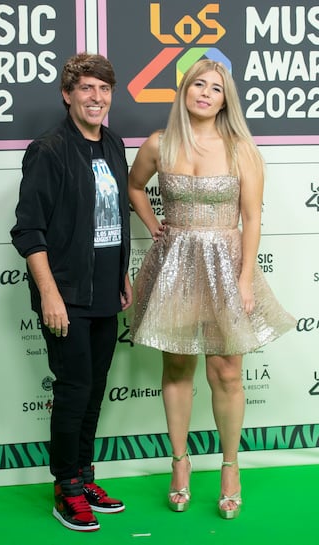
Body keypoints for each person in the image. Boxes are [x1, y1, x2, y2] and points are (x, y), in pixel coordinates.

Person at [128, 59, 296, 519]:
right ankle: (179, 465)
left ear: (226, 99)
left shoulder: (242, 149)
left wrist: (244, 279)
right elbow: (134, 187)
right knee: (178, 367)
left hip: (227, 267)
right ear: (184, 89)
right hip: (176, 267)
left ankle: (230, 466)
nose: (204, 93)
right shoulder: (159, 144)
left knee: (225, 372)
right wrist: (152, 224)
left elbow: (253, 219)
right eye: (197, 84)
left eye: (215, 88)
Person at [11, 52, 132, 532]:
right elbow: (29, 230)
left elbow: (111, 221)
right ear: (68, 95)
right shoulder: (49, 149)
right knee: (73, 390)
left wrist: (121, 271)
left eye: (103, 89)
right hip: (66, 295)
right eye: (86, 88)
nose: (96, 97)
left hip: (105, 289)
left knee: (95, 390)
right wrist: (51, 295)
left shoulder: (114, 144)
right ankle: (65, 487)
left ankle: (84, 474)